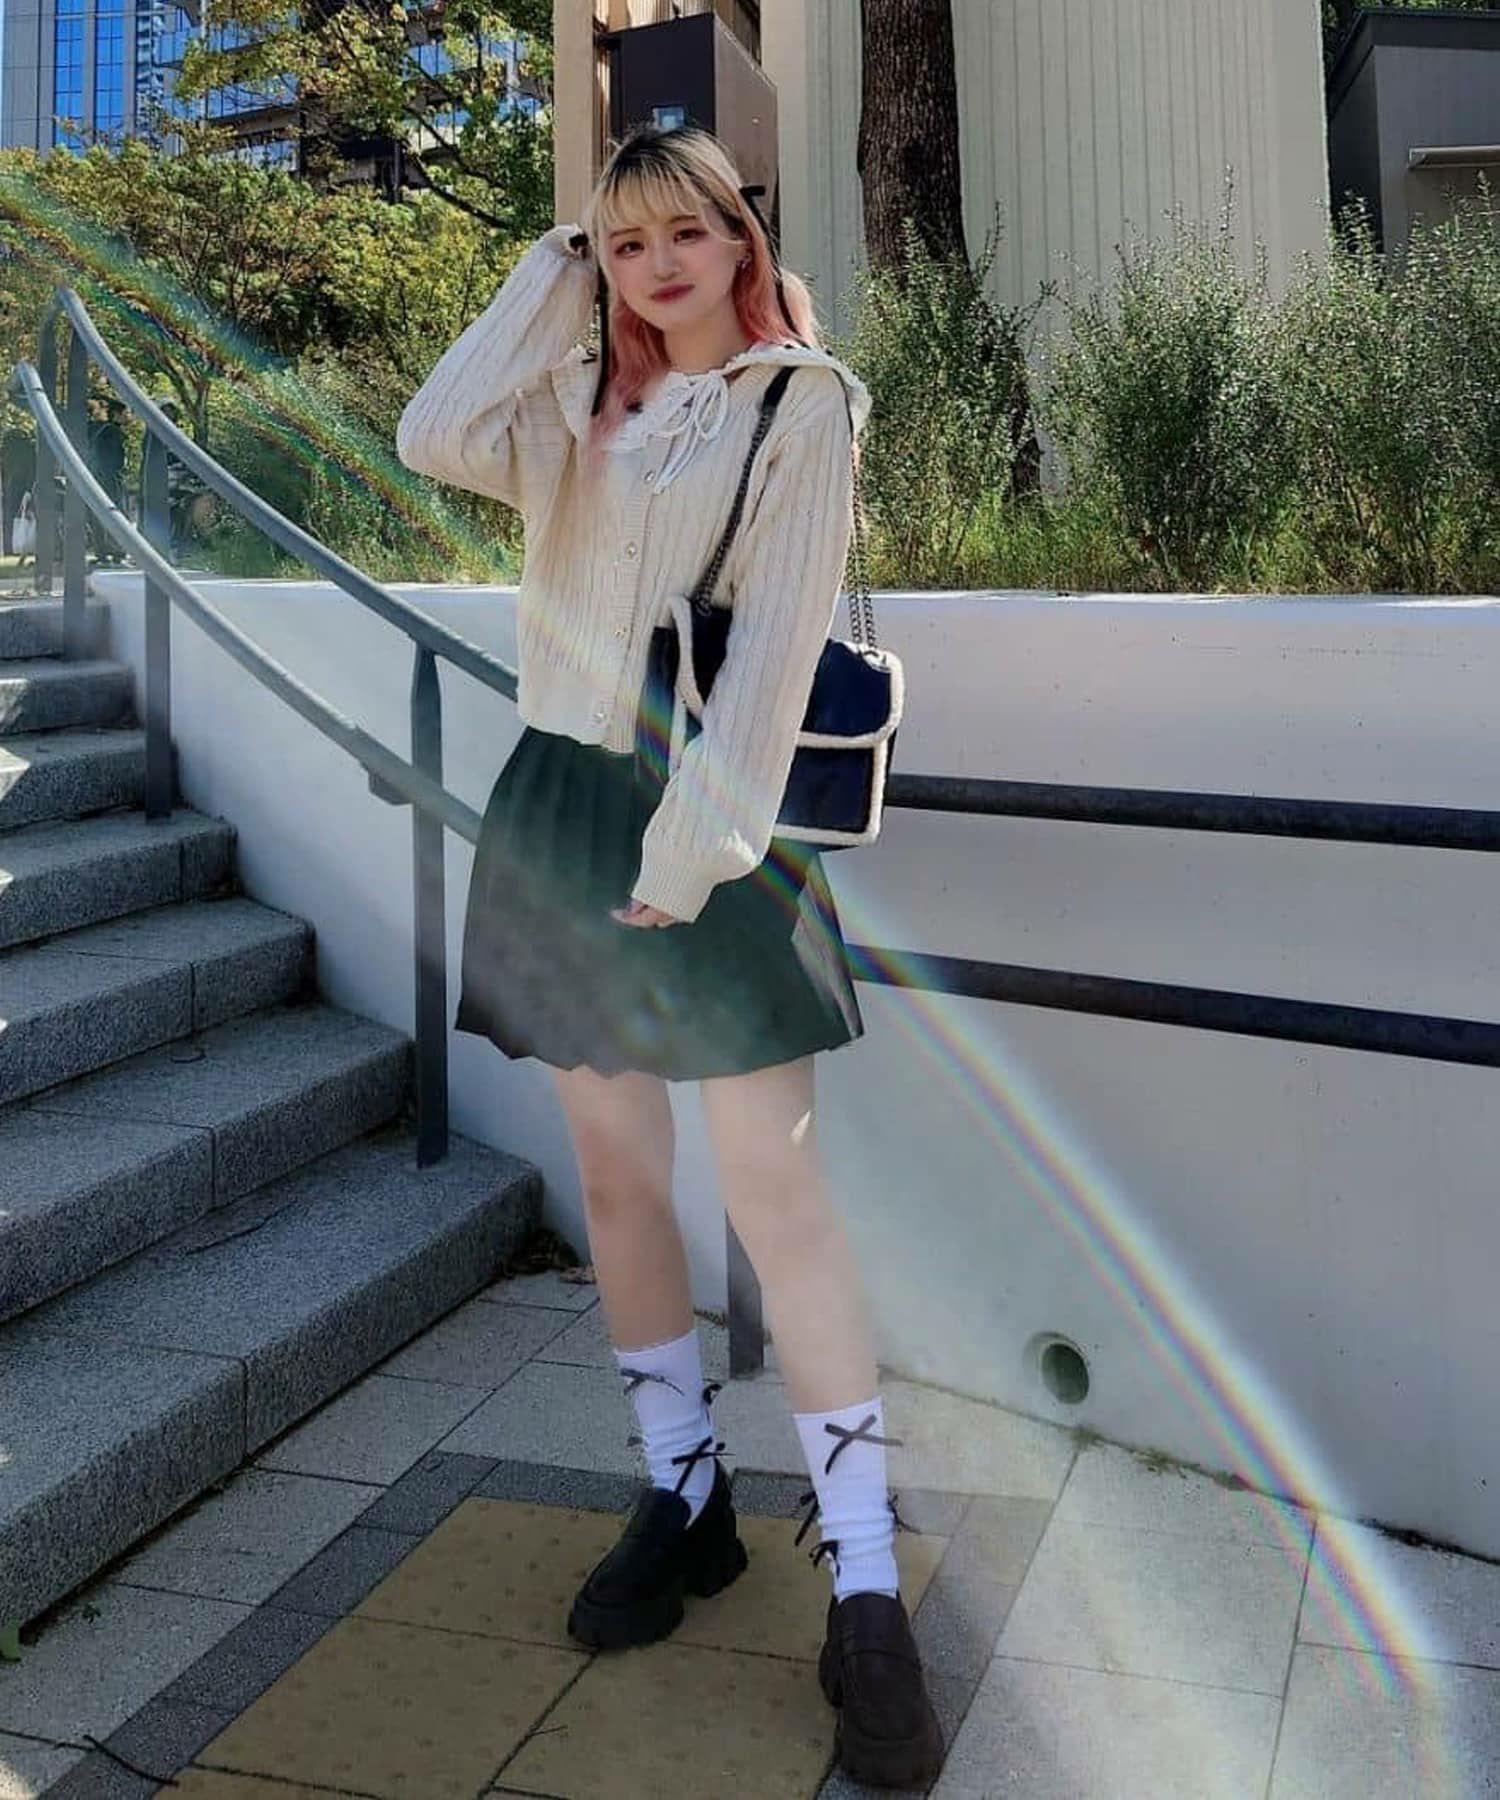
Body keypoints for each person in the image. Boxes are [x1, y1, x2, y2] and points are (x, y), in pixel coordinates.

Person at [395, 123, 944, 1790]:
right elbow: (431, 433)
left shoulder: (801, 403)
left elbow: (776, 647)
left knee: (777, 1198)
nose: (655, 268)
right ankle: (684, 1491)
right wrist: (549, 271)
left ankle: (863, 1579)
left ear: (738, 235)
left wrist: (692, 855)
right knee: (618, 1181)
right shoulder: (571, 405)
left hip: (716, 812)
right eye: (623, 243)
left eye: (680, 233)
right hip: (563, 801)